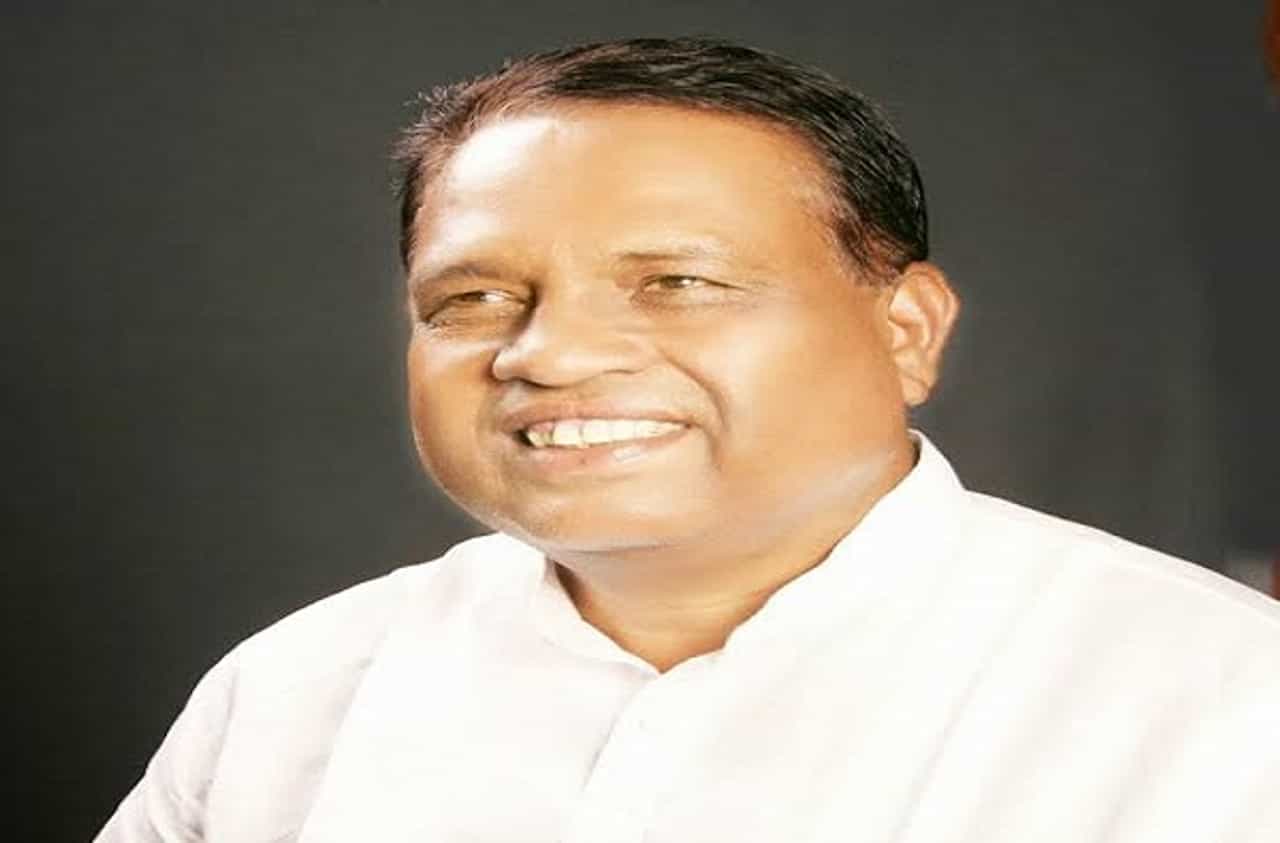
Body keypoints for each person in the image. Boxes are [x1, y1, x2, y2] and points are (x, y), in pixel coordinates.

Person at [96, 37, 1280, 843]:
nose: (549, 354)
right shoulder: (296, 691)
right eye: (474, 298)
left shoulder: (1221, 703)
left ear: (905, 329)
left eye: (675, 282)